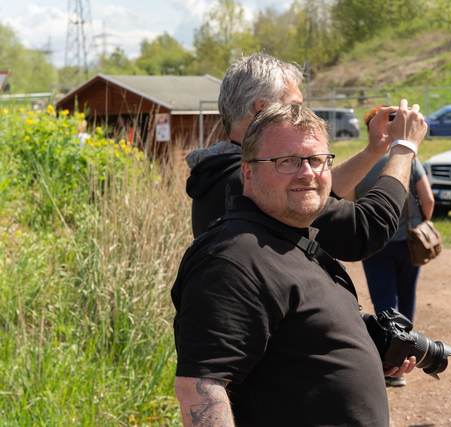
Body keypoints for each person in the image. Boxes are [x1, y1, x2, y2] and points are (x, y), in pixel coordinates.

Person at [172, 102, 427, 427]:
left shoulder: (292, 234)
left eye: (317, 160)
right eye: (286, 161)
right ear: (247, 172)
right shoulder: (231, 257)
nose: (307, 173)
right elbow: (200, 388)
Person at [185, 53, 405, 261]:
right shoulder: (251, 180)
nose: (304, 114)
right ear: (263, 109)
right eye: (296, 106)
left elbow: (318, 192)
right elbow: (366, 229)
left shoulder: (220, 170)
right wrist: (404, 148)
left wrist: (373, 151)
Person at [345, 106, 434, 387]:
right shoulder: (411, 161)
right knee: (407, 297)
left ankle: (390, 363)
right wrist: (420, 223)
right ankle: (407, 353)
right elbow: (428, 200)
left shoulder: (360, 164)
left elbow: (348, 205)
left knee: (385, 303)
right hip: (408, 242)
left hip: (374, 244)